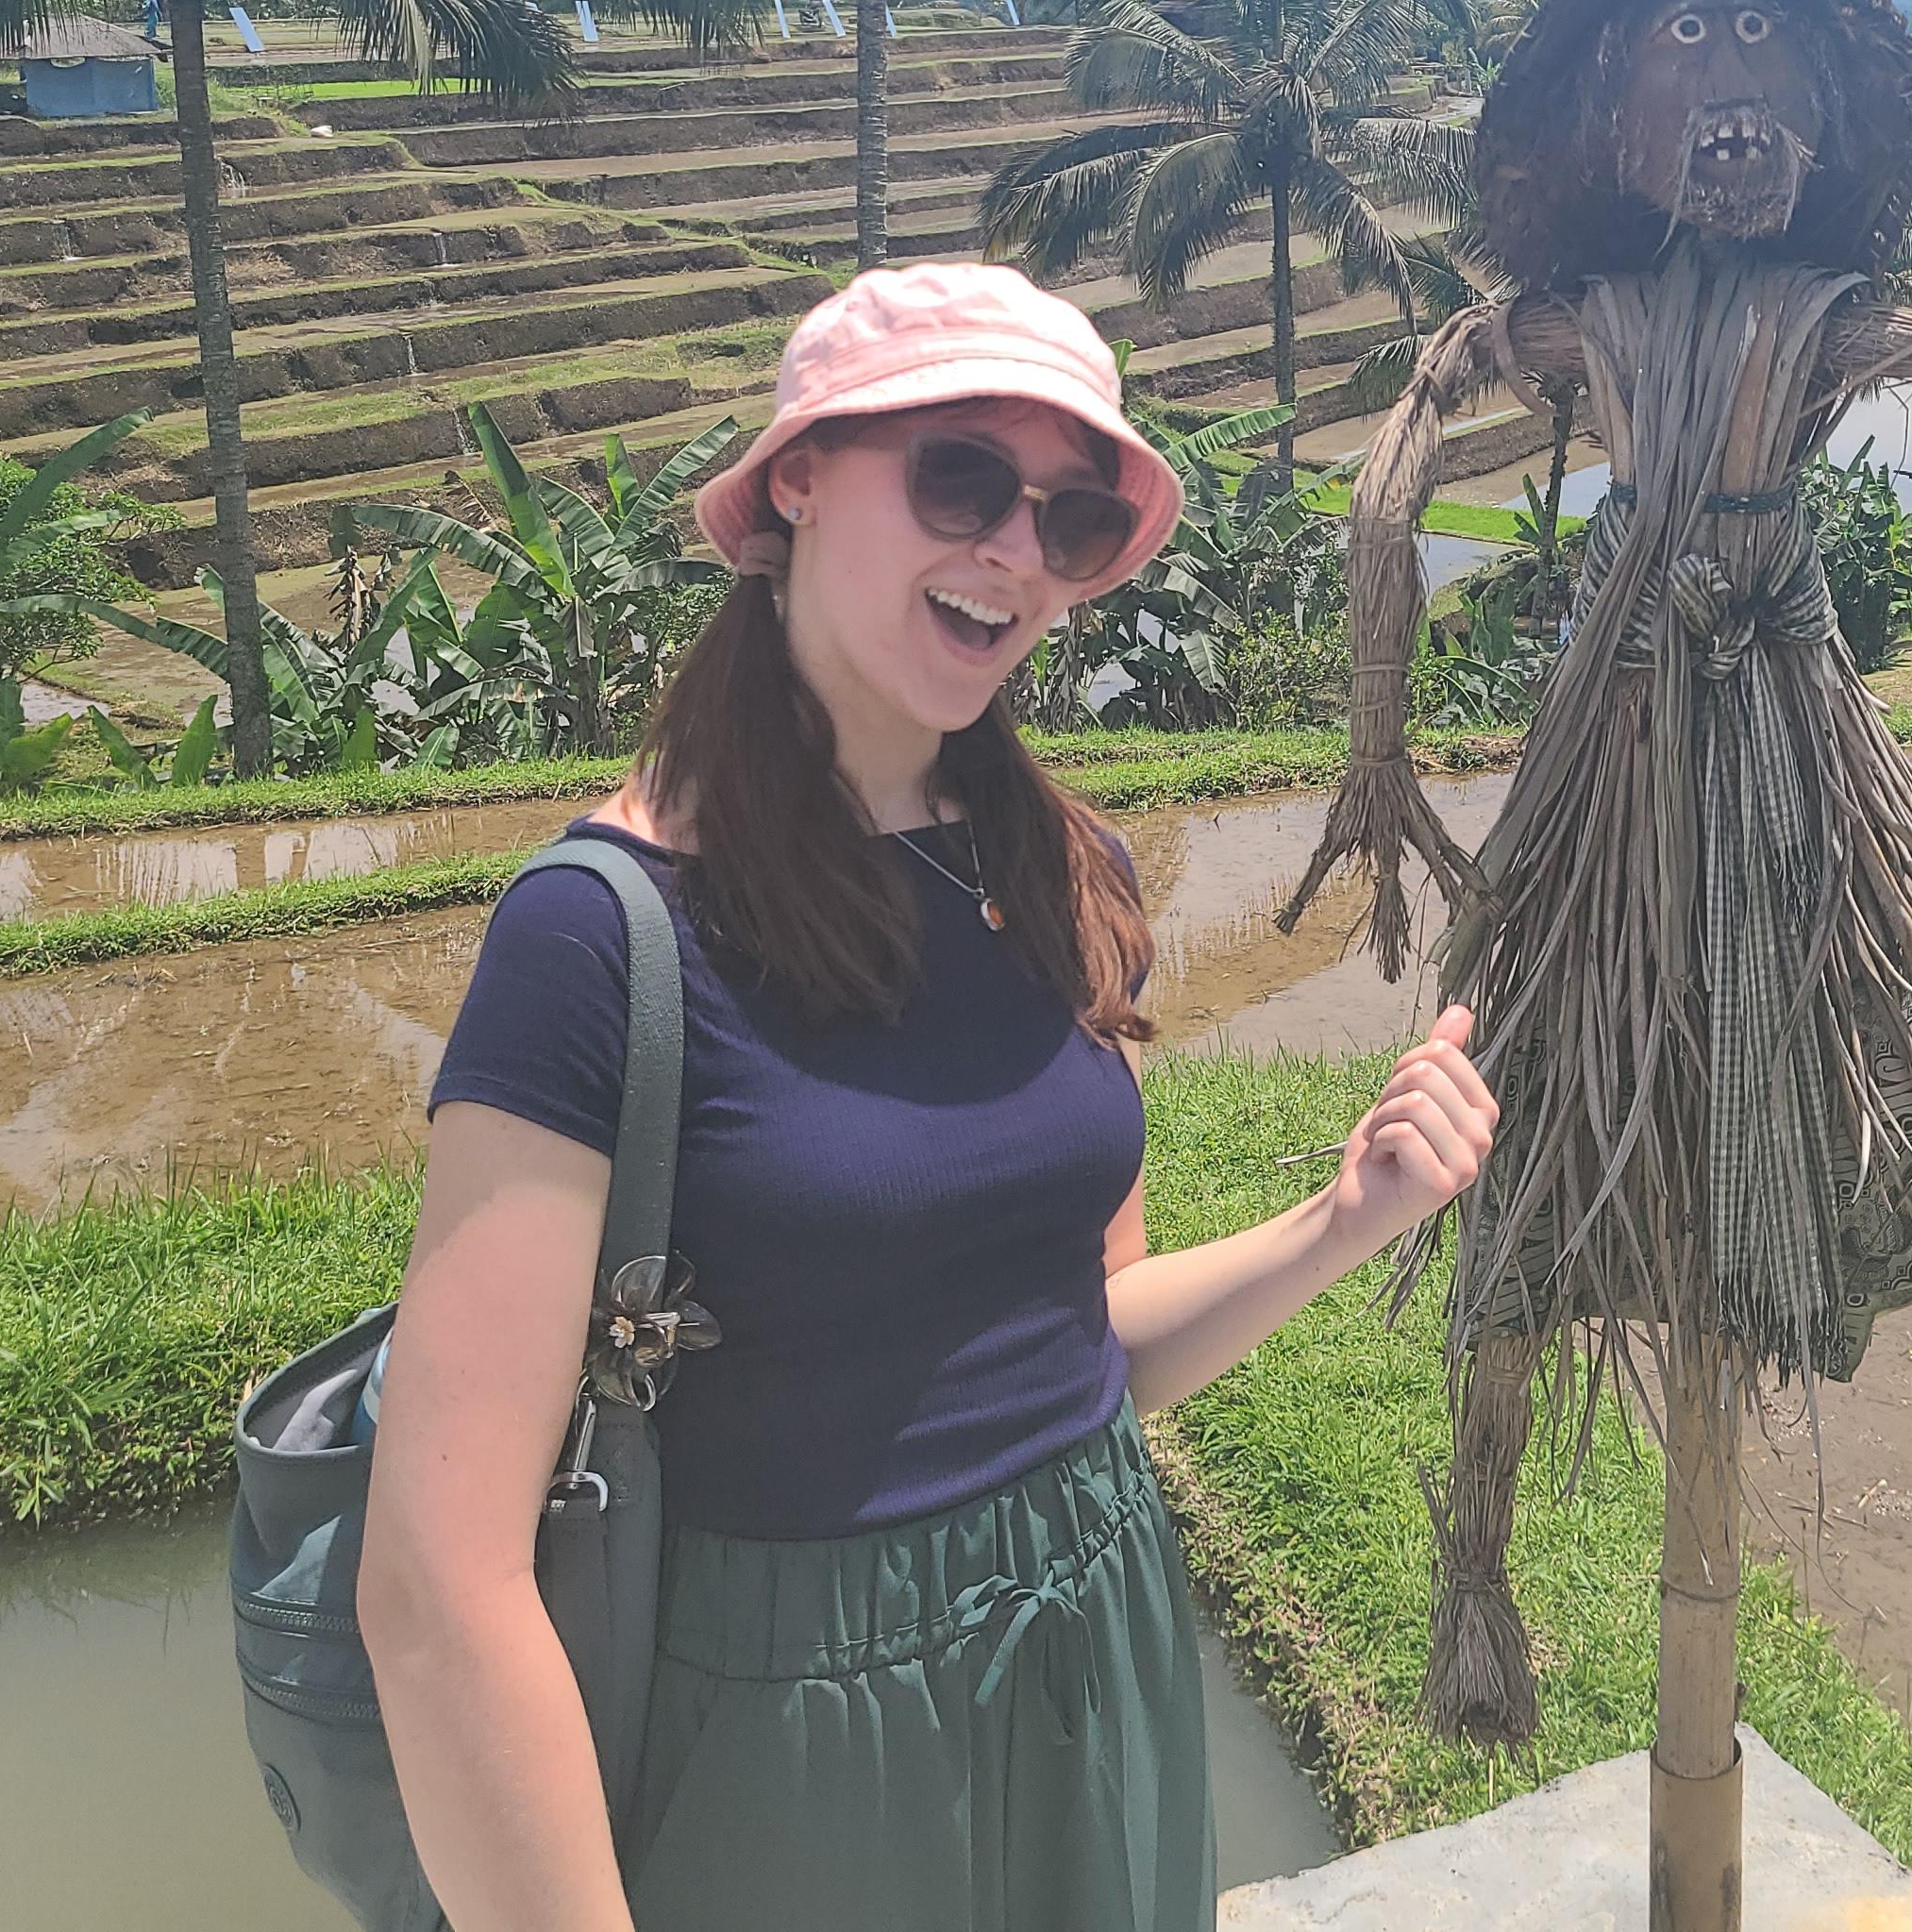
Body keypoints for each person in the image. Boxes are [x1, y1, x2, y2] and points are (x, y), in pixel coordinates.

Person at [359, 262, 1497, 1932]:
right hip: (792, 1718)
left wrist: (1347, 1220)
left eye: (1072, 519)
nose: (1015, 555)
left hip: (1092, 1633)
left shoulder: (1056, 866)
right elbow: (438, 1589)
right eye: (962, 478)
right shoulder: (603, 935)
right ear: (800, 480)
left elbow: (1085, 1340)